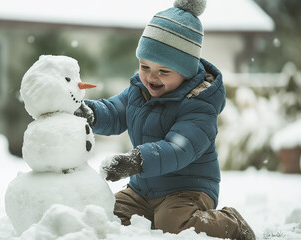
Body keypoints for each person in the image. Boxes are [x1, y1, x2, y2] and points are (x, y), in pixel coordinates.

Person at [74, 0, 255, 239]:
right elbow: (115, 111)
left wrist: (136, 161)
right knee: (107, 214)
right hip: (142, 189)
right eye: (144, 66)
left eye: (164, 71)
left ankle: (231, 224)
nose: (151, 77)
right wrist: (91, 114)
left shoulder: (199, 104)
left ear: (186, 71)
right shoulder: (138, 91)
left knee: (172, 222)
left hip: (188, 190)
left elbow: (178, 149)